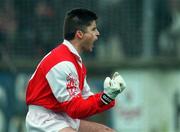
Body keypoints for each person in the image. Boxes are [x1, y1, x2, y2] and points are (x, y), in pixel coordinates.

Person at [25, 8, 126, 132]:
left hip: (62, 117)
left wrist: (109, 95)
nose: (98, 33)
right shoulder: (62, 63)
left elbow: (85, 101)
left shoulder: (74, 61)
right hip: (45, 120)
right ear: (79, 34)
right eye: (93, 29)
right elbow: (75, 109)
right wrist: (105, 97)